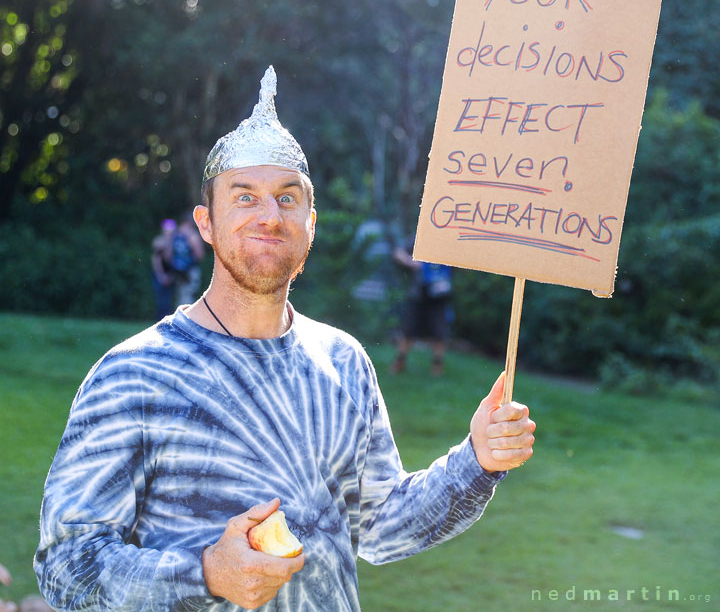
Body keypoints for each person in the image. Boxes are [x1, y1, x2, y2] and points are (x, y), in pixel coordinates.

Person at [35, 67, 535, 612]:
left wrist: (479, 461)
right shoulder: (134, 375)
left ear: (311, 223)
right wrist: (205, 574)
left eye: (287, 198)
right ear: (205, 222)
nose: (270, 216)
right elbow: (66, 568)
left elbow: (383, 528)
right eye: (244, 197)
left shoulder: (344, 362)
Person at [392, 243, 454, 377]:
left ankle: (437, 366)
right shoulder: (420, 236)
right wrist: (412, 263)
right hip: (418, 293)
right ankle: (400, 362)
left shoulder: (451, 239)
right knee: (408, 329)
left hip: (440, 294)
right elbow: (398, 252)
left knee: (440, 332)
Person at [173, 211, 206, 305]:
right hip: (189, 270)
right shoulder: (192, 235)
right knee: (188, 295)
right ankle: (186, 318)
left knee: (180, 295)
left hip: (176, 269)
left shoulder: (175, 233)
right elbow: (200, 255)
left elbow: (168, 253)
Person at [150, 217, 177, 320]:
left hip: (171, 275)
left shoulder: (176, 243)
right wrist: (161, 276)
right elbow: (156, 260)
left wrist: (171, 276)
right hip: (160, 275)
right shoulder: (158, 242)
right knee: (161, 302)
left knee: (169, 301)